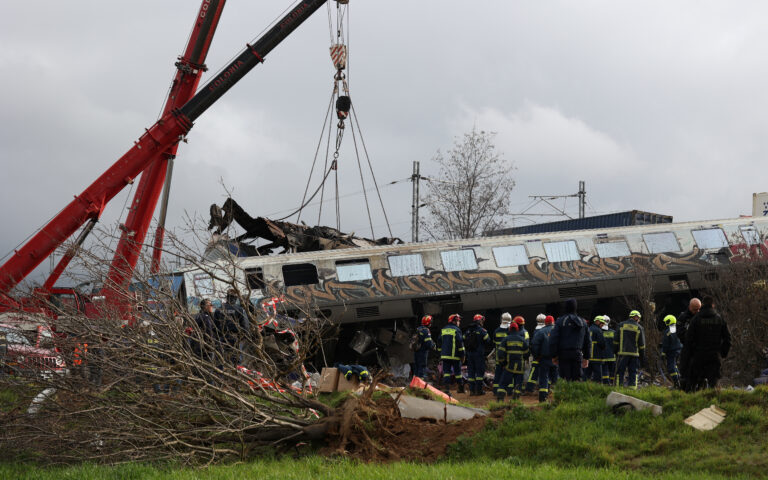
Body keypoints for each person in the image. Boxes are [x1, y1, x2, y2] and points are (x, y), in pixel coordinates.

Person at [683, 296, 731, 391]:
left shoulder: (696, 319)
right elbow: (728, 339)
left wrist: (692, 353)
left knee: (693, 384)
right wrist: (723, 353)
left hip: (698, 356)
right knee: (714, 385)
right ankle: (714, 403)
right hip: (714, 356)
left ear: (702, 305)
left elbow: (688, 339)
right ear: (713, 305)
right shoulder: (719, 319)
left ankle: (691, 403)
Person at [550, 298, 590, 381]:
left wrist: (554, 355)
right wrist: (586, 357)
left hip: (563, 354)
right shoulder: (583, 322)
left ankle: (565, 393)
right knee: (577, 379)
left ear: (565, 307)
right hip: (578, 353)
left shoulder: (560, 321)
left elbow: (553, 339)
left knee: (565, 378)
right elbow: (588, 341)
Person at [497, 320, 529, 400]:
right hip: (519, 367)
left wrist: (503, 363)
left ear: (510, 329)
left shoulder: (506, 339)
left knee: (503, 384)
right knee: (518, 384)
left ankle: (500, 400)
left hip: (509, 366)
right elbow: (527, 353)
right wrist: (524, 359)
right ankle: (515, 401)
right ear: (518, 329)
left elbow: (500, 353)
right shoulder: (522, 340)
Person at [615, 310, 646, 389]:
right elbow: (642, 345)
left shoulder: (621, 325)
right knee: (633, 372)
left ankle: (619, 388)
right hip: (634, 354)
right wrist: (642, 357)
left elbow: (615, 340)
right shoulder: (639, 327)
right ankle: (632, 389)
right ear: (637, 318)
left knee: (620, 371)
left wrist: (615, 351)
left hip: (622, 353)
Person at [531, 315, 557, 402]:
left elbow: (535, 345)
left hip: (544, 359)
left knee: (544, 377)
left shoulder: (541, 332)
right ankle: (558, 397)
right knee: (556, 378)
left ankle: (543, 398)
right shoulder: (558, 331)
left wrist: (537, 356)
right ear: (553, 322)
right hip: (556, 359)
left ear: (545, 323)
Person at [221, 289, 250, 365]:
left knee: (224, 357)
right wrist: (245, 335)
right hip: (236, 337)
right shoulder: (240, 309)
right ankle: (237, 373)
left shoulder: (220, 309)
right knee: (237, 358)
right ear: (235, 298)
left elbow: (215, 324)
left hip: (223, 336)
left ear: (227, 297)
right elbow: (245, 324)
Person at [464, 314, 491, 395]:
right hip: (479, 355)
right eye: (482, 320)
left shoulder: (468, 331)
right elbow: (488, 341)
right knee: (479, 373)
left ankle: (472, 391)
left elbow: (463, 339)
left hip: (469, 355)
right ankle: (479, 390)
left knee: (471, 372)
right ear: (479, 321)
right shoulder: (482, 331)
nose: (483, 322)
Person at [440, 314, 465, 394]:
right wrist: (463, 355)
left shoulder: (443, 330)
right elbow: (460, 343)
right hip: (455, 356)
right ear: (454, 321)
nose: (459, 323)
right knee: (458, 373)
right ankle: (460, 389)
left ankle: (447, 390)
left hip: (445, 356)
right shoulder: (457, 330)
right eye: (458, 321)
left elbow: (439, 342)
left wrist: (440, 354)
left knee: (446, 373)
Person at [525, 314, 546, 393]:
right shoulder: (545, 330)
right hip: (543, 356)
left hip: (536, 356)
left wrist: (535, 355)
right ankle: (545, 388)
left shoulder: (535, 330)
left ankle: (529, 389)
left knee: (533, 373)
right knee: (545, 373)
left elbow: (533, 344)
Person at [661, 314, 683, 388]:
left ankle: (676, 383)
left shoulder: (668, 331)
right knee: (674, 365)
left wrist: (663, 353)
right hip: (679, 350)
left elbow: (666, 343)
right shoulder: (678, 328)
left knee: (671, 367)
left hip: (671, 351)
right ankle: (679, 380)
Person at [492, 313, 511, 393]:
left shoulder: (496, 331)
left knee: (498, 375)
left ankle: (496, 390)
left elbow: (494, 343)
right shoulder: (510, 331)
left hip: (498, 358)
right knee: (509, 375)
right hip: (508, 358)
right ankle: (509, 391)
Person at [414, 315, 437, 379]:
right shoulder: (426, 331)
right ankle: (421, 384)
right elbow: (428, 343)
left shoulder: (418, 329)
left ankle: (415, 383)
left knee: (417, 367)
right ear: (428, 323)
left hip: (416, 351)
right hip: (423, 352)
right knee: (422, 367)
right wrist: (433, 346)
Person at [599, 315, 617, 385]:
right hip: (612, 356)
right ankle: (612, 383)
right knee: (612, 371)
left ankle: (606, 384)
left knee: (604, 371)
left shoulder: (599, 332)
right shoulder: (613, 332)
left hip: (603, 357)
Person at [588, 316, 606, 383]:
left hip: (588, 357)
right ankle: (597, 389)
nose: (603, 325)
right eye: (602, 323)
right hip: (597, 357)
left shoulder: (588, 329)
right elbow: (602, 343)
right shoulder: (598, 331)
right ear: (598, 322)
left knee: (586, 375)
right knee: (598, 376)